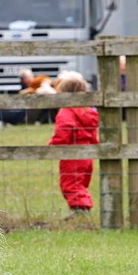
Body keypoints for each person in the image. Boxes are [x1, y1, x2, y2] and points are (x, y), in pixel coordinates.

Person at [48, 75, 99, 214]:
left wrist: (55, 145)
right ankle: (82, 208)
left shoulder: (66, 111)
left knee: (71, 184)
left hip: (72, 154)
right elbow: (93, 133)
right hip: (87, 155)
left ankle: (81, 211)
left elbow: (64, 130)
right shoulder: (89, 111)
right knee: (81, 183)